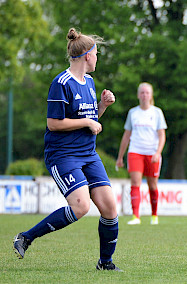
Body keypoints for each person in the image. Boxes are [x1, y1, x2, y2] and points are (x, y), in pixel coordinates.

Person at [12, 28, 122, 271]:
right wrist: (87, 121)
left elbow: (91, 120)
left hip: (88, 155)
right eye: (96, 53)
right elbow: (54, 123)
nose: (97, 58)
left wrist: (101, 107)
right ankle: (26, 237)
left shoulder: (90, 82)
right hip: (63, 156)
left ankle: (105, 264)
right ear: (86, 56)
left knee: (110, 209)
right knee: (81, 206)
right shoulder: (61, 83)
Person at [116, 82, 167, 225]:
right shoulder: (133, 113)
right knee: (135, 183)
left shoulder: (157, 112)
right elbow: (126, 135)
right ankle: (135, 216)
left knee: (152, 186)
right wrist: (120, 157)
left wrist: (158, 152)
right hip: (135, 151)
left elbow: (162, 135)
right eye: (142, 92)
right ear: (138, 95)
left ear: (151, 95)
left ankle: (154, 215)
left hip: (152, 153)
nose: (144, 95)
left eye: (147, 93)